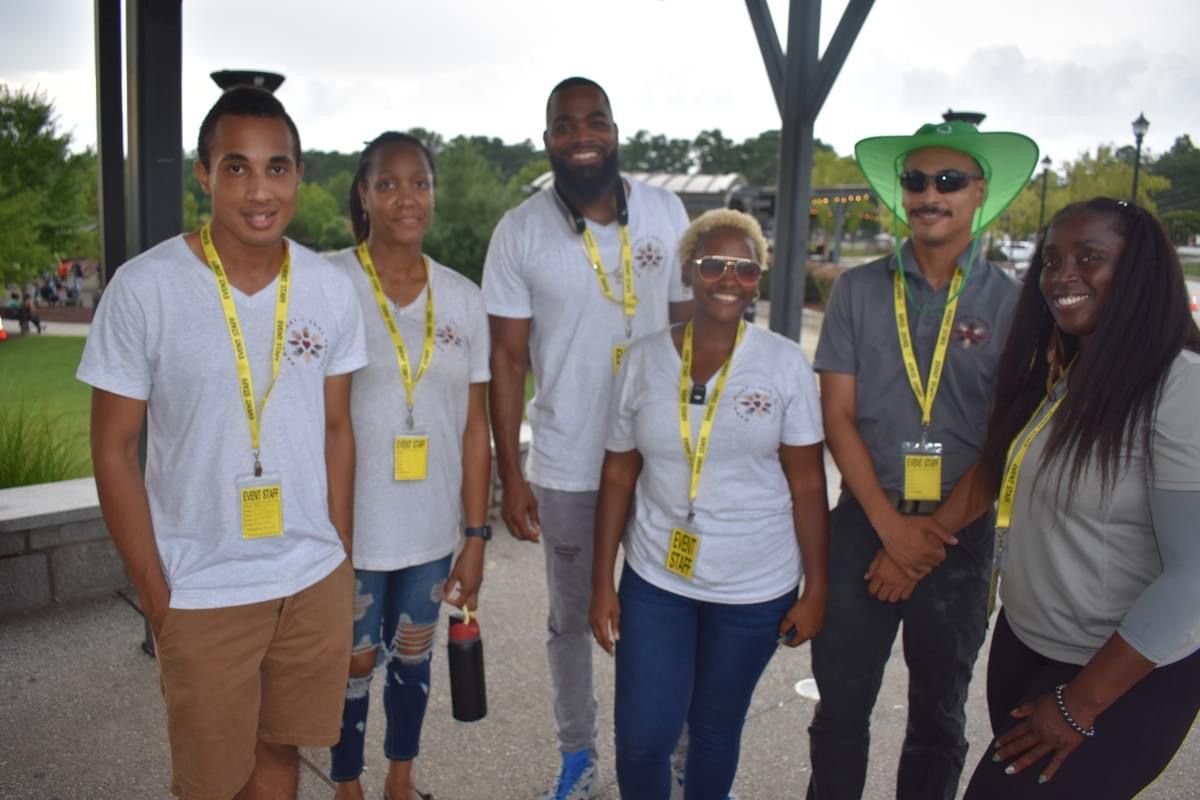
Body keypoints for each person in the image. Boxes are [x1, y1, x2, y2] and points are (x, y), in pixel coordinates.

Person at [78, 85, 367, 800]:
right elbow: (112, 449)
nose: (260, 190)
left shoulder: (330, 288)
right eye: (236, 168)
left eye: (278, 167)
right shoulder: (145, 289)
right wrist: (154, 589)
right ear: (203, 175)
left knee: (281, 754)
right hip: (200, 585)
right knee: (212, 781)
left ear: (301, 175)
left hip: (308, 578)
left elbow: (336, 428)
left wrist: (341, 558)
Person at [926, 198, 1200, 798]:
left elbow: (1194, 576)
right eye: (1051, 260)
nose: (1062, 274)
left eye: (1090, 257)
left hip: (1115, 677)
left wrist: (1080, 704)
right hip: (1028, 646)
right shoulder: (1075, 373)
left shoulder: (1181, 386)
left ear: (1138, 273)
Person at [806, 119, 1038, 800]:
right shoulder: (856, 291)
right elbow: (837, 418)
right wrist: (891, 530)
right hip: (863, 522)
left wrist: (922, 541)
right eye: (915, 181)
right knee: (841, 713)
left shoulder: (1017, 304)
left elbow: (1009, 439)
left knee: (939, 720)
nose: (929, 194)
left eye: (948, 181)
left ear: (979, 192)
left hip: (960, 540)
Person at [482, 76, 693, 799]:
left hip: (664, 462)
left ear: (614, 128)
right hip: (570, 461)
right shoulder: (519, 229)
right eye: (565, 125)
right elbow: (507, 359)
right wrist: (511, 473)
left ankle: (682, 761)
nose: (582, 135)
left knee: (674, 613)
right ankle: (579, 753)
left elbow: (698, 340)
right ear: (548, 139)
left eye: (594, 120)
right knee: (571, 621)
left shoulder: (665, 211)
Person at [590, 209, 829, 799]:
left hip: (754, 586)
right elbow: (619, 472)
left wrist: (818, 587)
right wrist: (602, 580)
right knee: (644, 736)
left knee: (715, 731)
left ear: (758, 280)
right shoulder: (644, 359)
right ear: (690, 273)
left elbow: (807, 484)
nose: (729, 278)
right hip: (657, 576)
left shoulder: (784, 364)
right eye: (714, 264)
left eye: (746, 269)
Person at [325, 131, 492, 800]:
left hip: (428, 529)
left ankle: (400, 777)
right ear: (363, 195)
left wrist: (476, 536)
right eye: (387, 184)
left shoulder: (463, 298)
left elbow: (476, 425)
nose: (405, 197)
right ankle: (345, 781)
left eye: (419, 182)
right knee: (354, 660)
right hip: (349, 526)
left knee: (415, 657)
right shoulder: (326, 283)